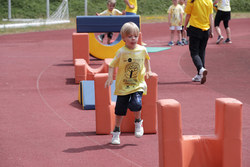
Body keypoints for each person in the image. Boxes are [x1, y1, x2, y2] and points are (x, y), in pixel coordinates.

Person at [105, 22, 154, 145]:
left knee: (136, 103)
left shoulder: (142, 49)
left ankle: (138, 122)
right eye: (130, 36)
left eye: (135, 36)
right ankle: (116, 132)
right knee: (120, 111)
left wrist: (148, 70)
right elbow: (111, 65)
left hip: (138, 84)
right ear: (123, 38)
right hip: (123, 86)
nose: (133, 39)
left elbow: (147, 59)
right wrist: (110, 77)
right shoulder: (121, 52)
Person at [184, 0, 214, 84]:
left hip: (195, 28)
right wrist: (211, 30)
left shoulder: (192, 1)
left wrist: (184, 26)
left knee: (194, 53)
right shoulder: (209, 1)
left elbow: (188, 15)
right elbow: (211, 16)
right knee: (202, 52)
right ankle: (199, 74)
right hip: (206, 30)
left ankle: (201, 69)